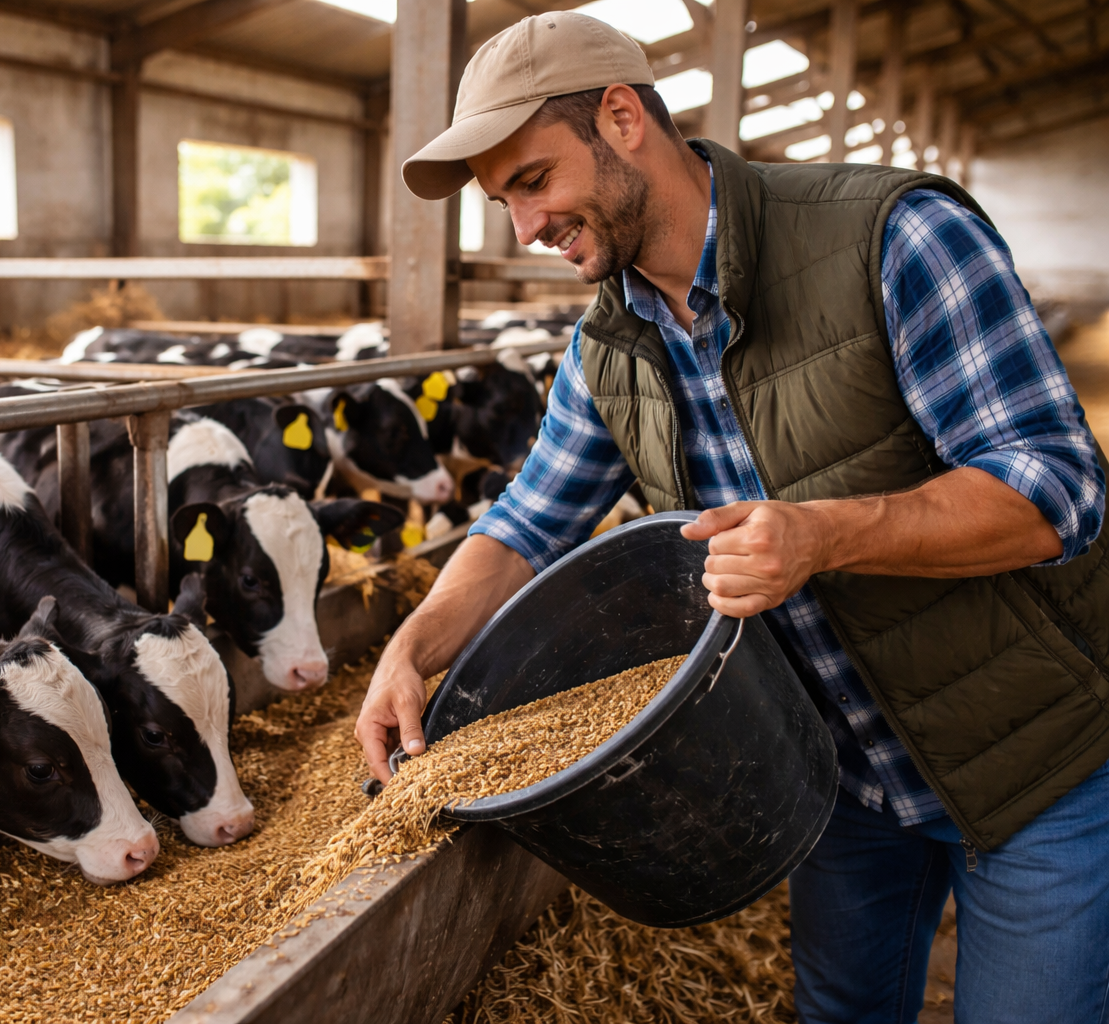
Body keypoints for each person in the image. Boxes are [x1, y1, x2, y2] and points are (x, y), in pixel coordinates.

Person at [355, 11, 1109, 1024]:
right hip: (836, 768)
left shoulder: (893, 236)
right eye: (504, 203)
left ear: (622, 119)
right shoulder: (605, 349)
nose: (524, 230)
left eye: (531, 182)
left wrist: (821, 534)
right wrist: (413, 648)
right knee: (839, 1011)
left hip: (1034, 758)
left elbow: (1056, 489)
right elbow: (524, 528)